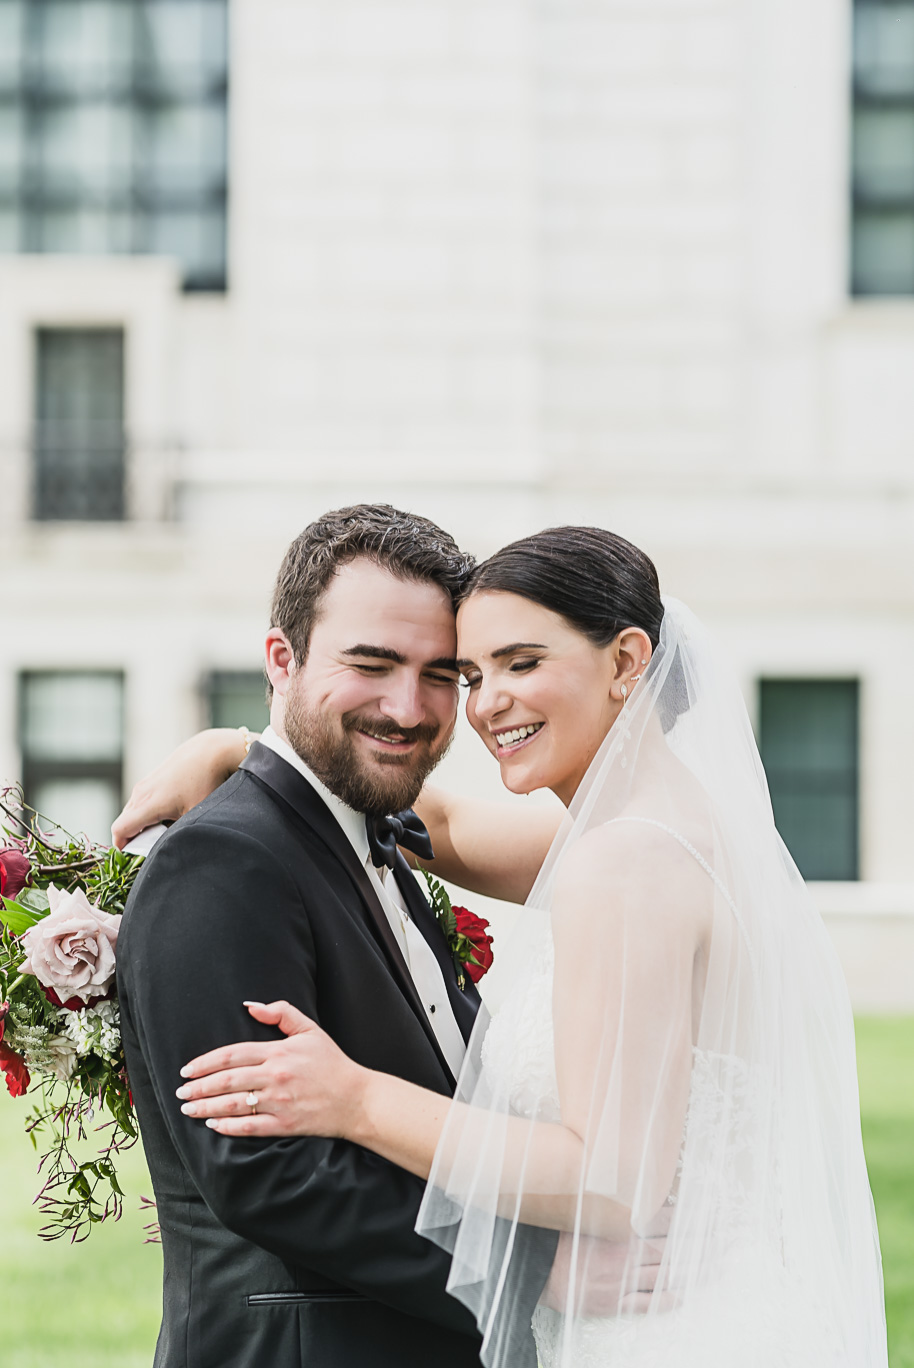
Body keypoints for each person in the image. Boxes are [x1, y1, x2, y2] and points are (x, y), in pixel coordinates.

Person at [118, 525, 888, 1368]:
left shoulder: (622, 862)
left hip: (660, 1320)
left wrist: (355, 1099)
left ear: (629, 662)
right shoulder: (668, 829)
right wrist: (250, 748)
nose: (483, 704)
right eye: (474, 673)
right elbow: (433, 823)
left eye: (520, 664)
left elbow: (610, 1180)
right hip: (715, 1296)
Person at [116, 504, 565, 1368]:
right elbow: (269, 1175)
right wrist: (535, 1274)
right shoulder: (223, 861)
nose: (408, 706)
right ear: (280, 661)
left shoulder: (375, 836)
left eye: (441, 673)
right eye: (372, 663)